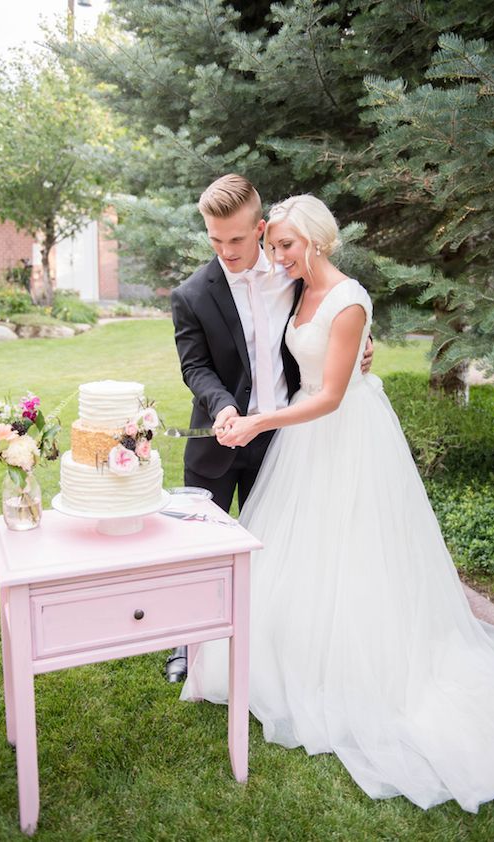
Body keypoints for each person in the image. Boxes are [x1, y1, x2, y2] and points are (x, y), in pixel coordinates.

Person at [181, 194, 494, 812]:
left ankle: (353, 660)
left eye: (273, 244)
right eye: (265, 246)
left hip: (336, 434)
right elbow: (224, 363)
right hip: (283, 437)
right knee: (288, 549)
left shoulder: (328, 287)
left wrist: (303, 392)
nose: (267, 254)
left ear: (309, 241)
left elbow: (334, 383)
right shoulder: (256, 286)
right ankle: (225, 642)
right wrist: (245, 409)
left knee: (350, 546)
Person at [166, 175, 373, 681]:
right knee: (202, 548)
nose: (226, 250)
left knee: (276, 548)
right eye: (215, 240)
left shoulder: (291, 270)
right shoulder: (192, 294)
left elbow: (336, 308)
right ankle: (185, 642)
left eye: (236, 239)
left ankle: (270, 640)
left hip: (284, 441)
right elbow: (195, 368)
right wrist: (221, 409)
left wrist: (364, 343)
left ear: (259, 229)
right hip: (220, 438)